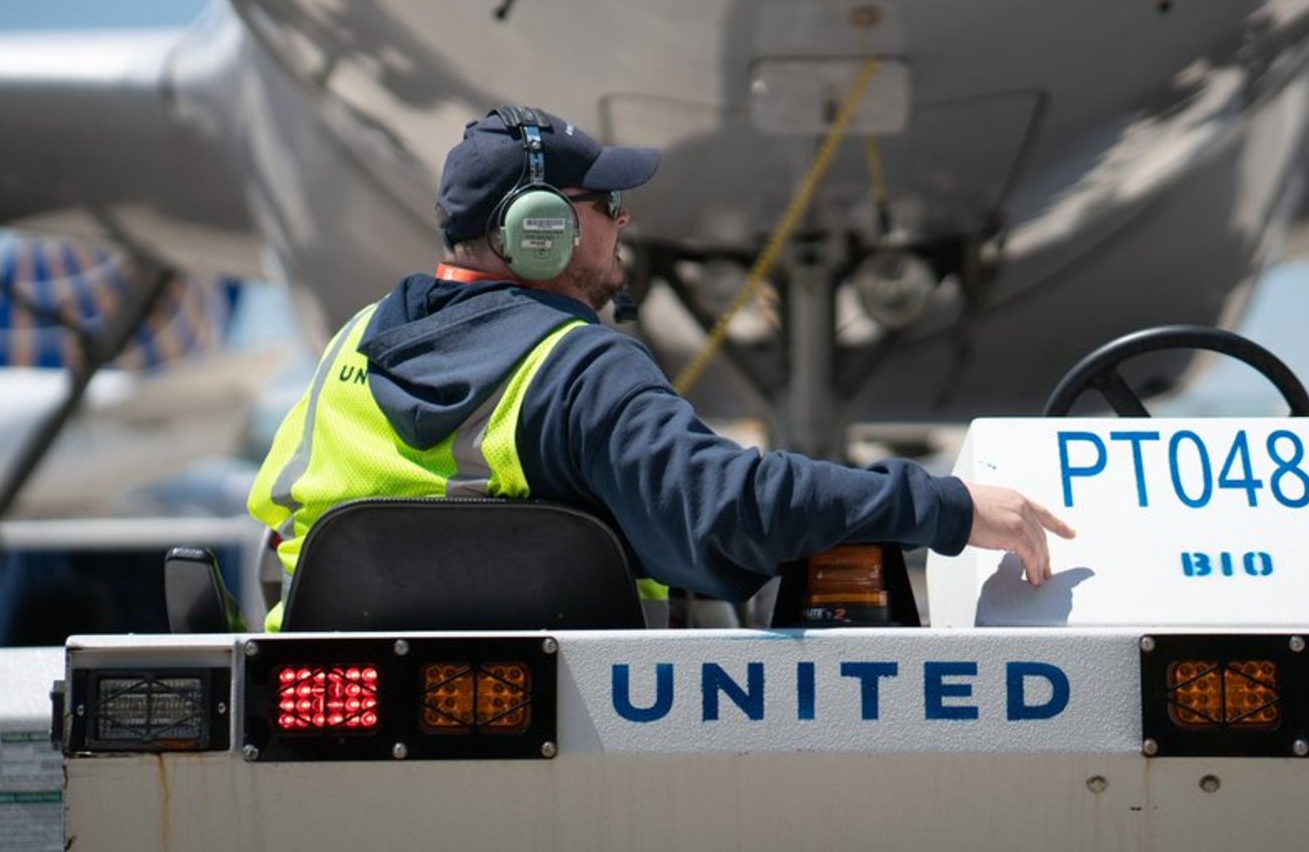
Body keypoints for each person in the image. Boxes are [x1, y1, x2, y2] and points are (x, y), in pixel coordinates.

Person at [248, 105, 1073, 628]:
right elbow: (724, 517)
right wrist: (945, 507)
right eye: (605, 206)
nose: (624, 219)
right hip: (571, 726)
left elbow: (282, 534)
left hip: (326, 706)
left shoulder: (352, 342)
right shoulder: (575, 367)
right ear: (541, 231)